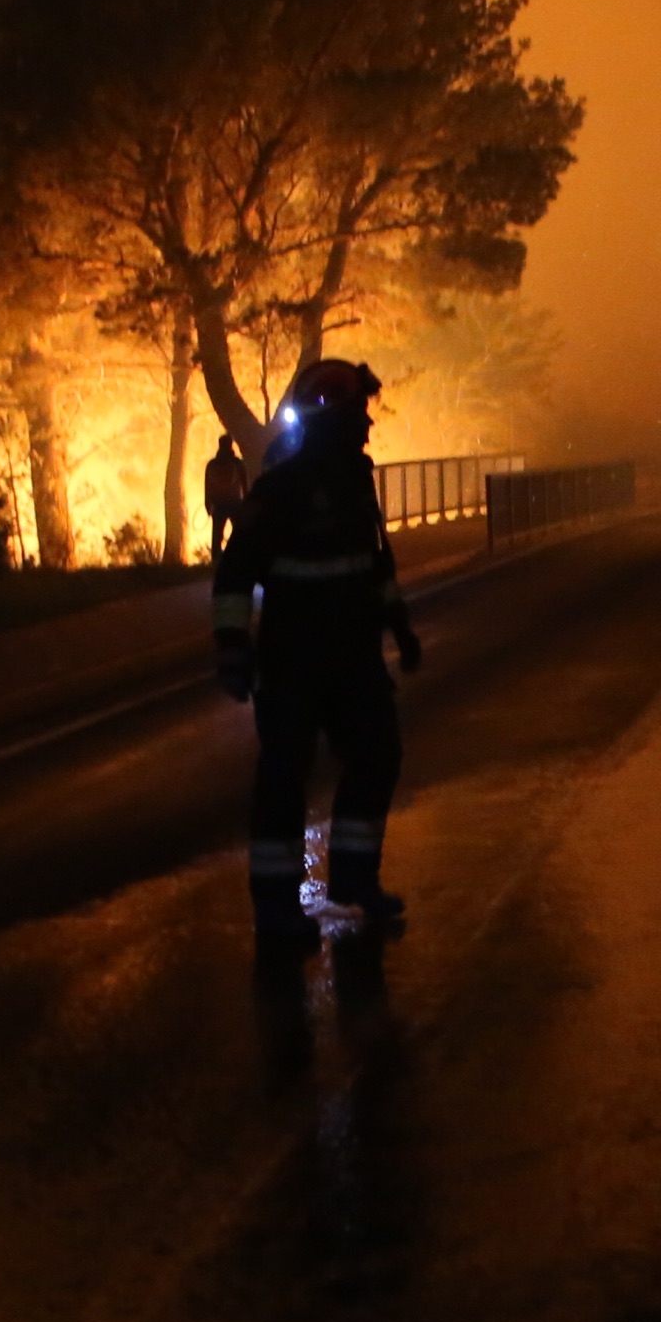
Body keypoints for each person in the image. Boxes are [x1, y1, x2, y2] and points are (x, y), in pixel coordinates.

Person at [213, 359, 422, 947]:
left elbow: (375, 567)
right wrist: (232, 646)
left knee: (377, 757)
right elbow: (234, 575)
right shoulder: (280, 492)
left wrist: (399, 627)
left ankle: (354, 882)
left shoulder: (356, 482)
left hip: (352, 659)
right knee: (283, 781)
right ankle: (277, 910)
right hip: (294, 664)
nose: (367, 425)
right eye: (360, 412)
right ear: (333, 414)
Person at [200, 429, 251, 563]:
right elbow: (245, 485)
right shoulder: (238, 463)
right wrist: (246, 502)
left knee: (217, 534)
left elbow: (207, 486)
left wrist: (207, 503)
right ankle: (241, 559)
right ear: (231, 445)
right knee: (240, 533)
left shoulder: (212, 464)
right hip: (235, 503)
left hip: (218, 504)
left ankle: (216, 561)